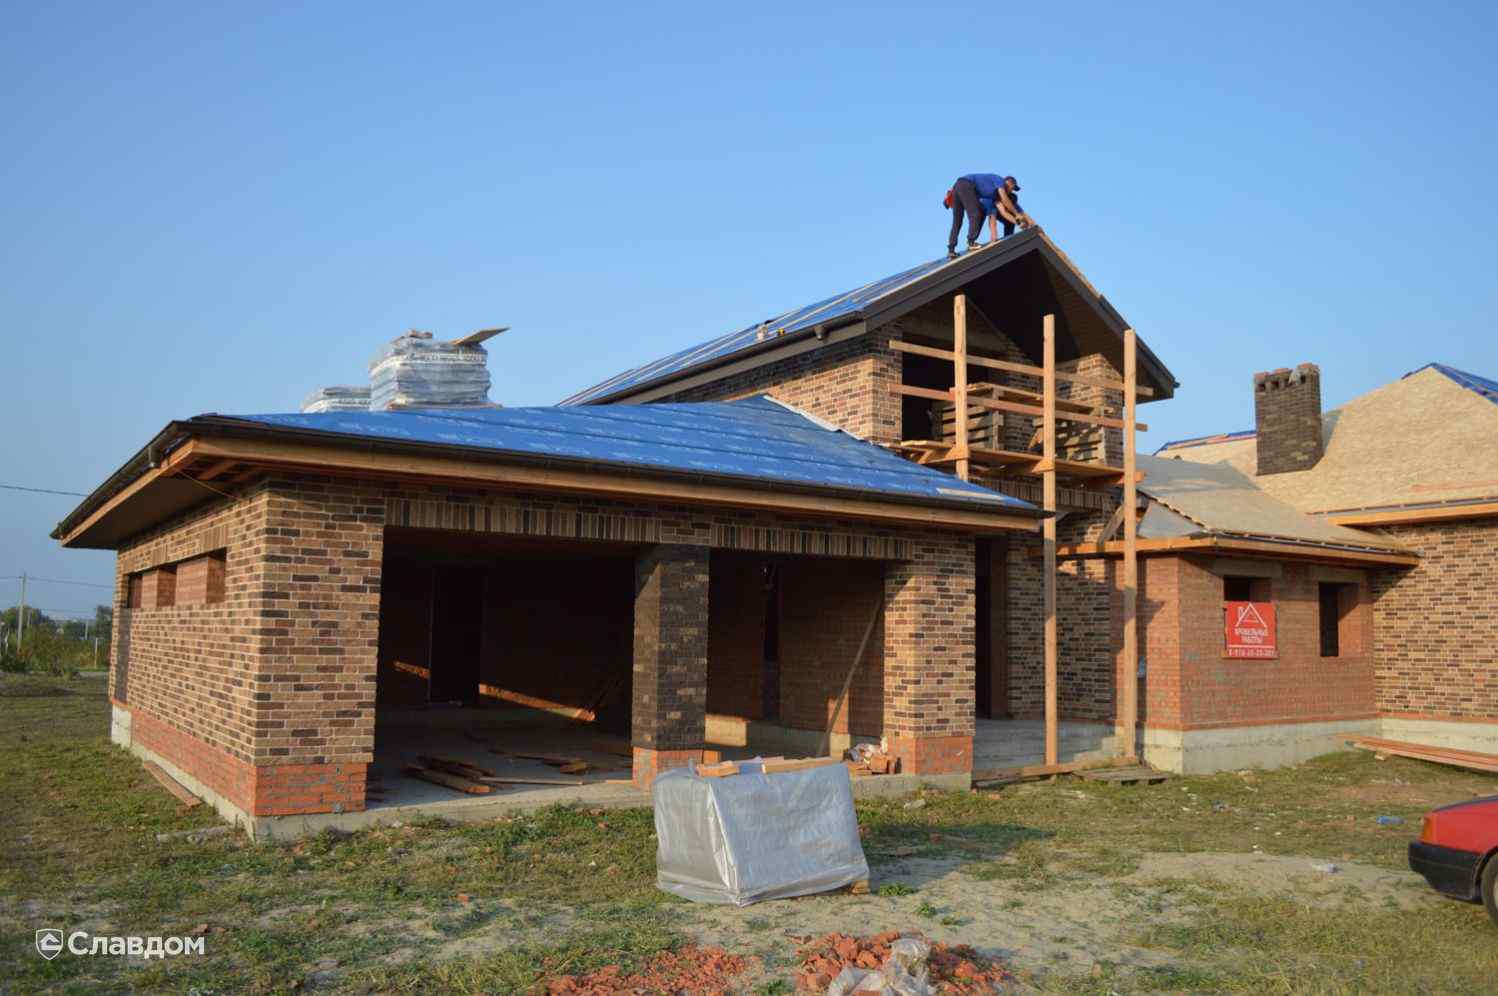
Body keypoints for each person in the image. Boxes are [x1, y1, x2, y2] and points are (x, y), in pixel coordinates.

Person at [946, 173, 1030, 259]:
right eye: (1012, 188)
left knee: (957, 220)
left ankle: (951, 250)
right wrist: (1017, 214)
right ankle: (971, 242)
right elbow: (1005, 199)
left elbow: (1004, 212)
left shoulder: (995, 196)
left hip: (958, 186)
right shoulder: (1000, 181)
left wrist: (1019, 223)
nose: (1011, 191)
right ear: (1009, 183)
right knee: (976, 213)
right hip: (965, 184)